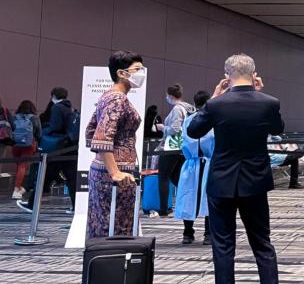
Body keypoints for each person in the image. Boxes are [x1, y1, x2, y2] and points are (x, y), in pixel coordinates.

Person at [187, 53, 284, 284]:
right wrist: (260, 93)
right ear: (254, 75)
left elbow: (194, 131)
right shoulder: (268, 103)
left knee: (223, 247)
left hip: (221, 184)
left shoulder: (216, 105)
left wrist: (213, 98)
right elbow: (278, 128)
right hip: (255, 183)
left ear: (227, 75)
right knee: (263, 245)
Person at [84, 51, 144, 239]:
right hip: (116, 175)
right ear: (121, 73)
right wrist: (115, 172)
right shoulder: (117, 99)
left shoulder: (108, 96)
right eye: (137, 69)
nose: (141, 73)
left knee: (106, 225)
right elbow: (101, 138)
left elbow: (90, 131)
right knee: (115, 229)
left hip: (106, 171)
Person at [17, 87, 78, 214]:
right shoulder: (69, 108)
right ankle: (76, 207)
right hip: (69, 148)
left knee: (44, 175)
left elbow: (56, 126)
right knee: (72, 178)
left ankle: (32, 205)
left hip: (58, 148)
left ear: (53, 96)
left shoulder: (57, 108)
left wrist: (45, 132)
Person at [175, 91, 214, 245]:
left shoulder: (188, 120)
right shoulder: (212, 120)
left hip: (192, 162)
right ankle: (205, 233)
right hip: (204, 162)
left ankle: (190, 233)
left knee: (191, 196)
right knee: (204, 197)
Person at [156, 84, 195, 218]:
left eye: (167, 95)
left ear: (171, 96)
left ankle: (163, 209)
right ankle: (189, 201)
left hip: (171, 147)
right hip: (183, 148)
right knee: (177, 178)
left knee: (164, 177)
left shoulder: (178, 109)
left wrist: (163, 128)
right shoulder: (189, 107)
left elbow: (175, 129)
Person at [11, 100, 41, 199]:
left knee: (19, 166)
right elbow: (39, 133)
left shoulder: (15, 117)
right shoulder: (34, 118)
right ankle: (17, 190)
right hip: (28, 144)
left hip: (15, 145)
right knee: (23, 166)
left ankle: (17, 187)